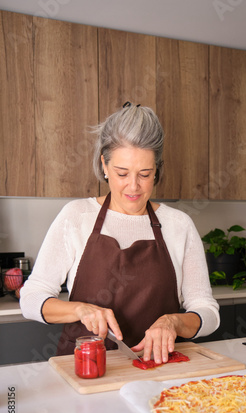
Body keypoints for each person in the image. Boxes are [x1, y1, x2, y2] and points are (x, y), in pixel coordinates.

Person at [20, 102, 220, 364]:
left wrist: (174, 322)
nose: (133, 186)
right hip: (87, 370)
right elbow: (31, 299)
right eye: (122, 173)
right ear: (104, 164)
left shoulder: (178, 225)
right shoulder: (76, 217)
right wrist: (80, 309)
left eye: (145, 174)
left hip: (159, 370)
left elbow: (208, 312)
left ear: (157, 169)